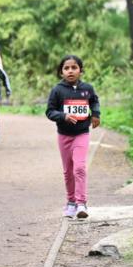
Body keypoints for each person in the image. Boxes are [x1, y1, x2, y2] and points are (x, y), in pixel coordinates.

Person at [46, 55, 101, 219]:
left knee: (79, 168)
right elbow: (50, 111)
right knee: (68, 171)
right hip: (64, 135)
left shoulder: (87, 89)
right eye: (66, 68)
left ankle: (81, 203)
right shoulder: (57, 90)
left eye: (74, 67)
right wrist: (63, 116)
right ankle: (71, 202)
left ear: (80, 70)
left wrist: (96, 114)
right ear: (61, 72)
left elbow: (94, 102)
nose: (70, 71)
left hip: (82, 134)